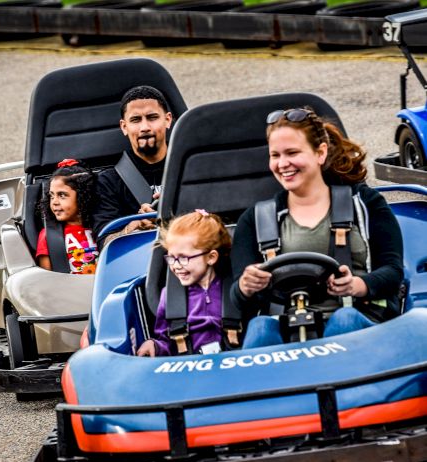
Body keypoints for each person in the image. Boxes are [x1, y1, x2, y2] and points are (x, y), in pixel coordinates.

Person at [230, 107, 404, 348]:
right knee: (260, 327)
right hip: (287, 326)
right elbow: (238, 299)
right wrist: (245, 286)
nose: (283, 164)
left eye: (292, 153)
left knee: (344, 321)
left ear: (320, 153)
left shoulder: (365, 204)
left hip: (362, 319)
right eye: (275, 155)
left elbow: (393, 271)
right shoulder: (254, 220)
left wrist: (358, 285)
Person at [137, 210, 232, 357]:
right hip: (190, 368)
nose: (175, 266)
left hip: (233, 363)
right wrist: (155, 346)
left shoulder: (233, 290)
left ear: (211, 257)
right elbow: (167, 342)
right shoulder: (169, 298)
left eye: (183, 258)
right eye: (171, 258)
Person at [92, 85, 173, 249]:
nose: (144, 127)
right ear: (124, 127)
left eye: (152, 117)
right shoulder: (107, 181)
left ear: (168, 120)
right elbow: (105, 244)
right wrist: (134, 226)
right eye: (136, 120)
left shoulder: (190, 168)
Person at [36, 159, 98, 274]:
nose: (54, 202)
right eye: (51, 196)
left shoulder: (100, 226)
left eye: (62, 195)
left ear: (82, 196)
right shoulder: (48, 236)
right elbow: (47, 278)